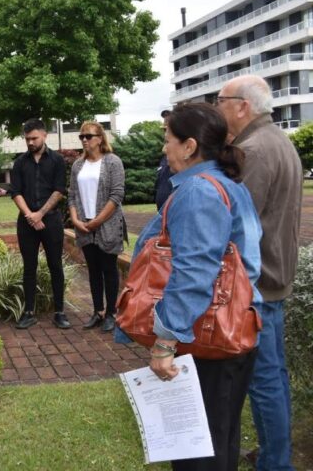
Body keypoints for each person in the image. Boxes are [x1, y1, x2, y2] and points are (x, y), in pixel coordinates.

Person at [131, 103, 263, 470]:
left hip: (205, 338)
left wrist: (164, 341)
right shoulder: (229, 186)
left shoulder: (198, 192)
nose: (163, 148)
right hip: (230, 332)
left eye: (167, 139)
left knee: (198, 453)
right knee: (218, 441)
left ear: (189, 146)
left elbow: (194, 272)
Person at [216, 75, 303, 471]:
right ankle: (273, 453)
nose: (216, 108)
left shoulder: (253, 151)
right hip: (276, 277)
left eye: (220, 100)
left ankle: (276, 462)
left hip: (259, 285)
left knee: (264, 381)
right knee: (274, 377)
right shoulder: (279, 141)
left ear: (242, 106)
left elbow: (237, 225)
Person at [9, 118, 70, 329]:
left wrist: (40, 214)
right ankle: (29, 312)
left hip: (51, 221)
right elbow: (15, 192)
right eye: (27, 139)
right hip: (26, 223)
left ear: (45, 135)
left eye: (34, 138)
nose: (30, 142)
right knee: (29, 267)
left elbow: (59, 190)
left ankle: (60, 312)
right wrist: (30, 216)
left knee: (55, 266)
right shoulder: (19, 163)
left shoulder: (57, 160)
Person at [68, 121, 126, 333]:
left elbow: (117, 195)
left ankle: (111, 312)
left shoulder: (112, 162)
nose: (84, 140)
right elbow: (72, 195)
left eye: (88, 136)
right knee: (93, 271)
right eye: (81, 136)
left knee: (109, 269)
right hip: (83, 225)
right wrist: (75, 220)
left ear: (100, 138)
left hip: (106, 224)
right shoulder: (77, 165)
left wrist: (97, 221)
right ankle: (98, 311)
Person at [154, 109, 175, 210]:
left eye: (168, 130)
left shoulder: (184, 159)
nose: (165, 134)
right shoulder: (165, 156)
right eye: (164, 130)